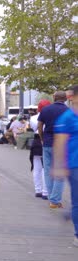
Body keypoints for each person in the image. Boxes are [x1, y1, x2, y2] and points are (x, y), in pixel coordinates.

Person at [52, 85, 78, 247]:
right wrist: (58, 165)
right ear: (73, 97)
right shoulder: (66, 118)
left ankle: (71, 214)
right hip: (75, 165)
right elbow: (59, 143)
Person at [38, 91, 69, 209]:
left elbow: (40, 125)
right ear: (65, 99)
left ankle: (52, 198)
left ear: (54, 97)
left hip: (47, 144)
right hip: (61, 145)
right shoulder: (68, 111)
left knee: (48, 171)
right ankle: (55, 200)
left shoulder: (46, 109)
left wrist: (42, 138)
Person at [29, 100, 51, 199]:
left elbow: (34, 129)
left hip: (36, 141)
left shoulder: (33, 118)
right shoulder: (51, 117)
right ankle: (45, 192)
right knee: (45, 168)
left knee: (37, 168)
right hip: (47, 140)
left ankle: (38, 190)